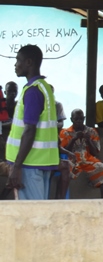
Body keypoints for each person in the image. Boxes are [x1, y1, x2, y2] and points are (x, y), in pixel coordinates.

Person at [5, 45, 60, 200]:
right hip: (40, 162)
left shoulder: (32, 91)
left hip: (29, 164)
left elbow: (29, 130)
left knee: (33, 215)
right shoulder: (44, 88)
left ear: (28, 62)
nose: (15, 64)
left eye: (18, 60)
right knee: (39, 211)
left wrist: (17, 166)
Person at [58, 108, 103, 199]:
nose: (79, 121)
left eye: (81, 119)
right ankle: (61, 198)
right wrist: (73, 139)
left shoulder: (91, 131)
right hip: (72, 159)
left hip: (87, 159)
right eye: (76, 119)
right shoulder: (65, 132)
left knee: (101, 167)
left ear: (84, 119)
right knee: (65, 169)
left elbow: (95, 152)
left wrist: (88, 140)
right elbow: (64, 150)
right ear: (71, 119)